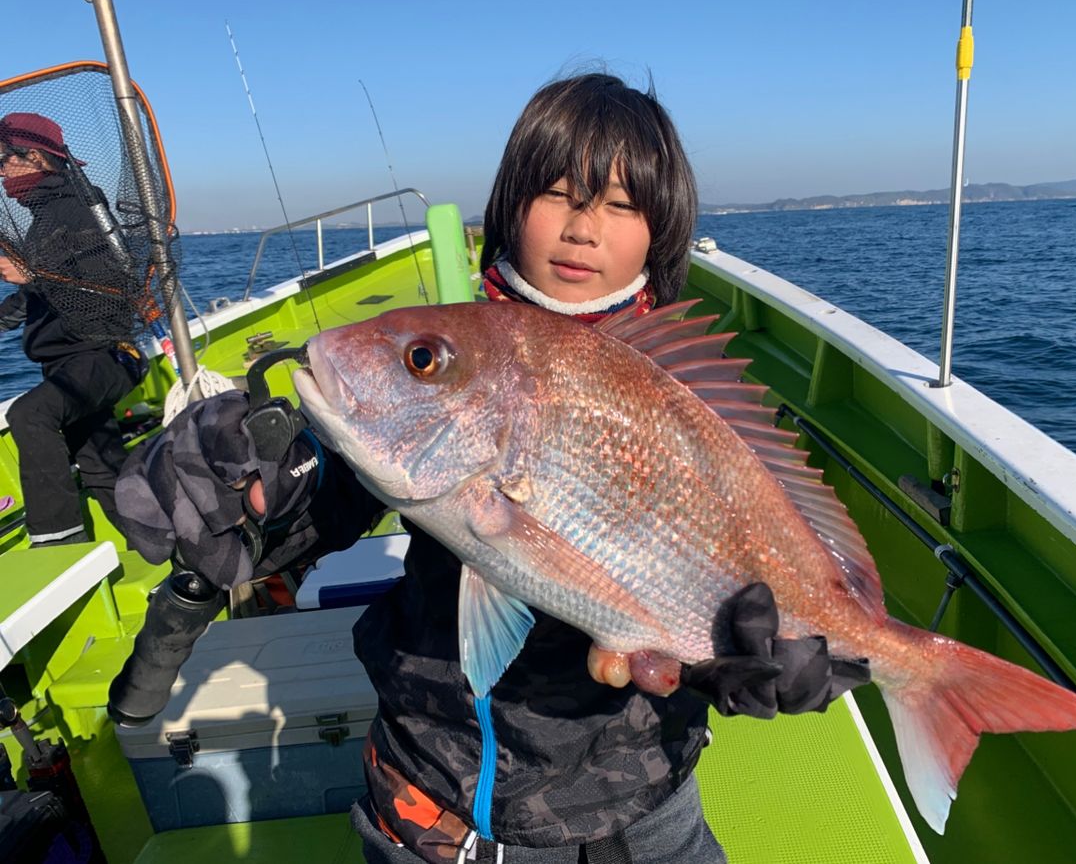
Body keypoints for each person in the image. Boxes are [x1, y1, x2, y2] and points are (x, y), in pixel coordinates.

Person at [115, 74, 870, 863]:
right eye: (557, 194)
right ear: (510, 206)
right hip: (441, 809)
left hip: (652, 803)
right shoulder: (473, 360)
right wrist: (244, 478)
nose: (583, 229)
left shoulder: (683, 395)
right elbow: (326, 482)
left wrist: (749, 657)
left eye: (620, 205)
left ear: (662, 232)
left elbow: (723, 565)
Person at [0, 112, 144, 547]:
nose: (1, 172)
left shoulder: (79, 210)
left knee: (30, 414)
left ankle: (56, 541)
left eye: (4, 160)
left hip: (102, 355)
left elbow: (113, 283)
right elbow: (34, 296)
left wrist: (34, 274)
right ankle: (160, 541)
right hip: (70, 363)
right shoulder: (46, 217)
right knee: (100, 463)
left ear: (34, 157)